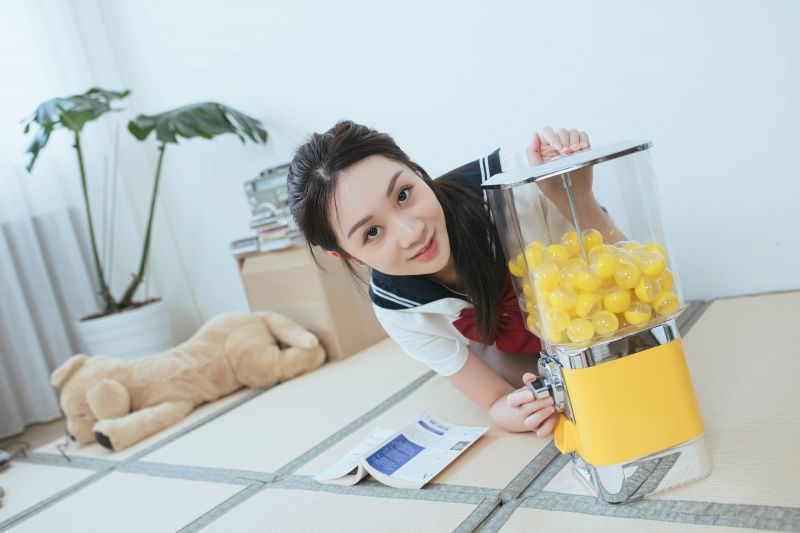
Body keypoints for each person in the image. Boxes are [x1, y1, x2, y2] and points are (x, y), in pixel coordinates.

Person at [287, 121, 618, 437]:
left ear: (417, 172)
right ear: (346, 255)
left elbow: (632, 278)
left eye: (403, 195)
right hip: (527, 361)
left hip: (610, 329)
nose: (412, 232)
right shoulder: (398, 309)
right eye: (372, 232)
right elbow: (493, 400)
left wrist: (575, 196)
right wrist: (521, 411)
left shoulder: (516, 180)